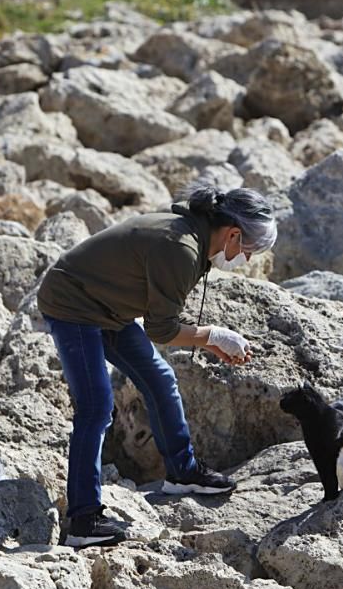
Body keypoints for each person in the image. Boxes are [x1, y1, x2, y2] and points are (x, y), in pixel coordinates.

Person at [37, 183, 278, 547]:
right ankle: (84, 519)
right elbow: (161, 330)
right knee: (96, 406)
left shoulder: (196, 238)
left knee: (159, 378)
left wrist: (213, 341)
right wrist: (214, 336)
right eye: (248, 251)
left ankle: (182, 472)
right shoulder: (182, 248)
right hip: (73, 304)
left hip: (109, 307)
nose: (245, 260)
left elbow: (163, 316)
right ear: (232, 234)